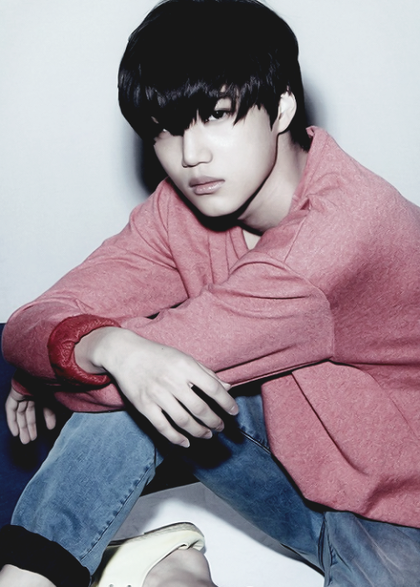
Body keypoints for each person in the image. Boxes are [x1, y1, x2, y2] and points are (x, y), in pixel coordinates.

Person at [1, 0, 420, 585]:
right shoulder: (185, 209)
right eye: (165, 129)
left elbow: (73, 347)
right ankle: (31, 574)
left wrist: (61, 366)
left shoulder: (340, 235)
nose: (190, 156)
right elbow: (35, 319)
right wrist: (98, 348)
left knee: (144, 363)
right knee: (140, 367)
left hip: (403, 519)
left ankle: (169, 563)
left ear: (282, 107)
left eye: (217, 115)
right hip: (307, 480)